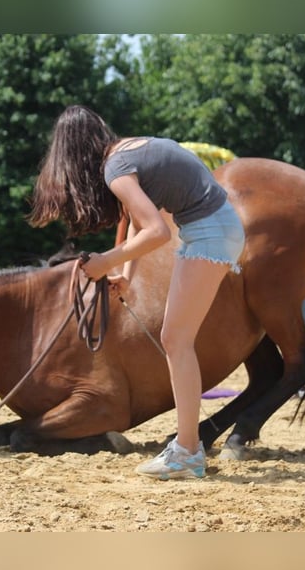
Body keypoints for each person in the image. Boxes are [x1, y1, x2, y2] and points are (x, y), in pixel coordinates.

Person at [28, 105, 245, 480]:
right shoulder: (126, 152)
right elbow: (134, 219)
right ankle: (187, 448)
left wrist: (102, 262)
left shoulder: (115, 170)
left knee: (176, 340)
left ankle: (188, 452)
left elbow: (157, 231)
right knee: (177, 339)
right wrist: (125, 274)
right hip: (214, 228)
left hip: (210, 232)